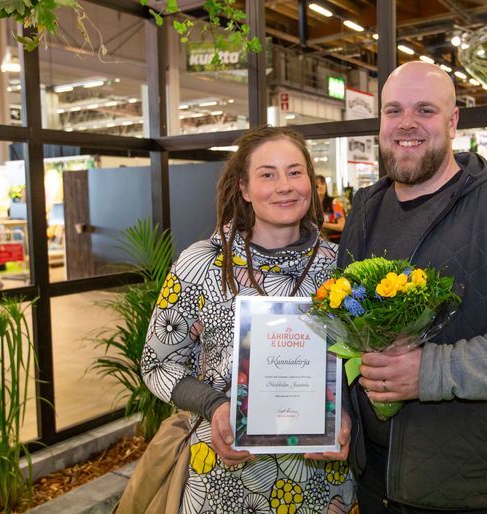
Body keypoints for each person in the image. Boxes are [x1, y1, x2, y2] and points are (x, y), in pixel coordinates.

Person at [337, 61, 487, 513]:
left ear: (453, 121)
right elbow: (345, 331)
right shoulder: (365, 210)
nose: (406, 123)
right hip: (373, 479)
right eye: (393, 110)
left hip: (467, 488)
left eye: (425, 110)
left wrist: (432, 372)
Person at [141, 126, 356, 513]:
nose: (284, 186)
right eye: (267, 174)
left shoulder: (339, 268)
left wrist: (345, 413)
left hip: (319, 482)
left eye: (295, 172)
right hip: (224, 475)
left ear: (312, 181)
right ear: (243, 188)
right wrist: (215, 406)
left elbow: (358, 363)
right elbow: (157, 364)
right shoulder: (203, 264)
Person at [316, 174, 346, 243]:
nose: (320, 186)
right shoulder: (311, 205)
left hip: (336, 241)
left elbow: (342, 226)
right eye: (317, 185)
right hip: (319, 241)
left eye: (322, 183)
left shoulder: (334, 203)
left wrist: (323, 224)